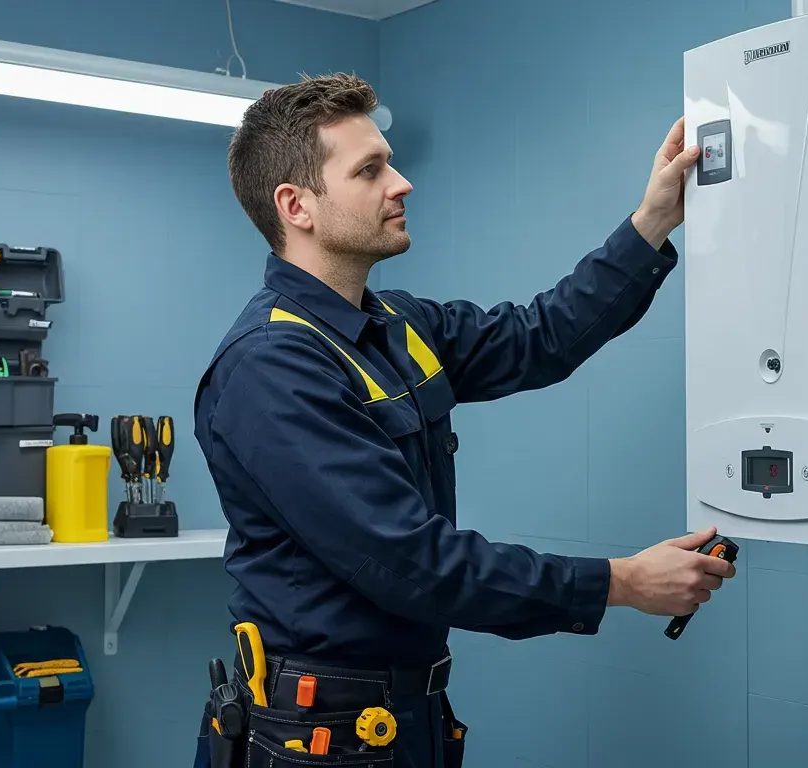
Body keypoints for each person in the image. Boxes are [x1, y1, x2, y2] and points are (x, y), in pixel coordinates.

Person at [192, 72, 736, 768]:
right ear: (296, 205)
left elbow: (541, 336)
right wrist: (622, 581)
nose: (402, 183)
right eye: (370, 170)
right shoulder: (272, 367)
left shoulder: (394, 325)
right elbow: (410, 563)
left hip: (402, 717)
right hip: (319, 739)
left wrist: (653, 219)